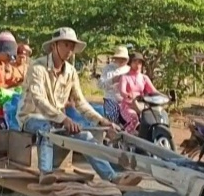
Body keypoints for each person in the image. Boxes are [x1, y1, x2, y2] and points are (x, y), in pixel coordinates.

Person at [18, 27, 141, 187]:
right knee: (46, 129)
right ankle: (45, 173)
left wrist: (102, 121)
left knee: (86, 137)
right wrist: (64, 119)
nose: (70, 50)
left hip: (58, 120)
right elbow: (39, 100)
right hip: (31, 118)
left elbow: (81, 102)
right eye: (66, 45)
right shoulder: (37, 67)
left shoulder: (70, 72)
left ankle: (112, 177)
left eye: (72, 46)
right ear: (54, 46)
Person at [117, 52, 157, 134]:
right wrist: (127, 95)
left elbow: (154, 91)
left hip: (142, 106)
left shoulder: (144, 78)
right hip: (128, 106)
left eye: (139, 62)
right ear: (130, 63)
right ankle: (122, 138)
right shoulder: (124, 77)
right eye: (135, 62)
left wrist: (166, 97)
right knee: (134, 119)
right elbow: (122, 91)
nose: (137, 64)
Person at [98, 45, 129, 123]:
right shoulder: (108, 69)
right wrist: (112, 80)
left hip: (126, 100)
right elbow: (100, 84)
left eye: (124, 59)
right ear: (115, 58)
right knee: (113, 117)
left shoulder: (129, 70)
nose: (121, 60)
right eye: (119, 58)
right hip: (111, 99)